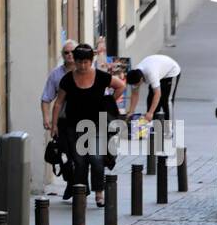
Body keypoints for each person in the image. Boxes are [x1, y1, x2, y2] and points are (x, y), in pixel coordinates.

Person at [52, 44, 125, 207]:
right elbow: (58, 103)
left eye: (86, 62)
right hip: (73, 126)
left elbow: (120, 85)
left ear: (91, 61)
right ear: (75, 61)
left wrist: (109, 101)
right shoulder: (68, 79)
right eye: (79, 62)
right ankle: (82, 192)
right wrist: (54, 125)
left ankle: (99, 193)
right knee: (79, 161)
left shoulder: (100, 76)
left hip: (96, 125)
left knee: (96, 158)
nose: (83, 66)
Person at [41, 40, 76, 197]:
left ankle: (80, 185)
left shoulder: (86, 71)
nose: (69, 55)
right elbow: (46, 98)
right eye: (66, 53)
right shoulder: (56, 74)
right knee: (66, 154)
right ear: (62, 55)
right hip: (63, 121)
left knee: (80, 155)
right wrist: (46, 118)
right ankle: (70, 182)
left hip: (83, 121)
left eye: (72, 52)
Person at [125, 54, 181, 124]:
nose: (135, 86)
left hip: (171, 72)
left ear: (141, 79)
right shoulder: (135, 75)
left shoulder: (151, 74)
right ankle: (152, 125)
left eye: (136, 84)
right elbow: (135, 94)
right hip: (158, 69)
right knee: (150, 100)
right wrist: (131, 111)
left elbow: (157, 94)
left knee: (166, 101)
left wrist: (150, 113)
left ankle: (168, 130)